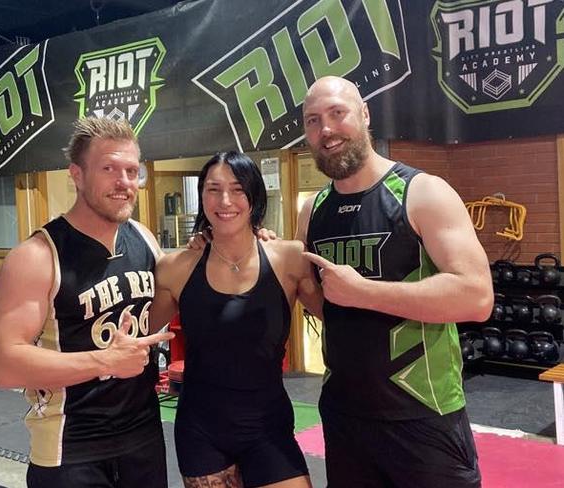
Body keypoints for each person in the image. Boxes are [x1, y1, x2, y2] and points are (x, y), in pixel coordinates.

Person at [297, 76, 493, 487]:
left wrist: (364, 292)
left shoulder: (422, 193)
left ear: (365, 115)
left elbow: (476, 296)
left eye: (337, 113)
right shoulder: (313, 210)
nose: (326, 130)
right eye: (313, 121)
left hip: (422, 414)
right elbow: (324, 303)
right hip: (345, 416)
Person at [0, 117, 174, 488]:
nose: (123, 182)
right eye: (108, 169)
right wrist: (105, 361)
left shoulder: (143, 238)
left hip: (144, 438)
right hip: (70, 449)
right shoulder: (37, 256)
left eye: (131, 171)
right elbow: (4, 366)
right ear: (77, 174)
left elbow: (155, 314)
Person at [149, 151, 323, 488]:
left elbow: (340, 317)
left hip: (269, 428)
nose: (225, 200)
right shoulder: (176, 268)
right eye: (213, 189)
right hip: (202, 431)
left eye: (237, 189)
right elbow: (140, 330)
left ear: (254, 195)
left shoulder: (289, 259)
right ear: (201, 197)